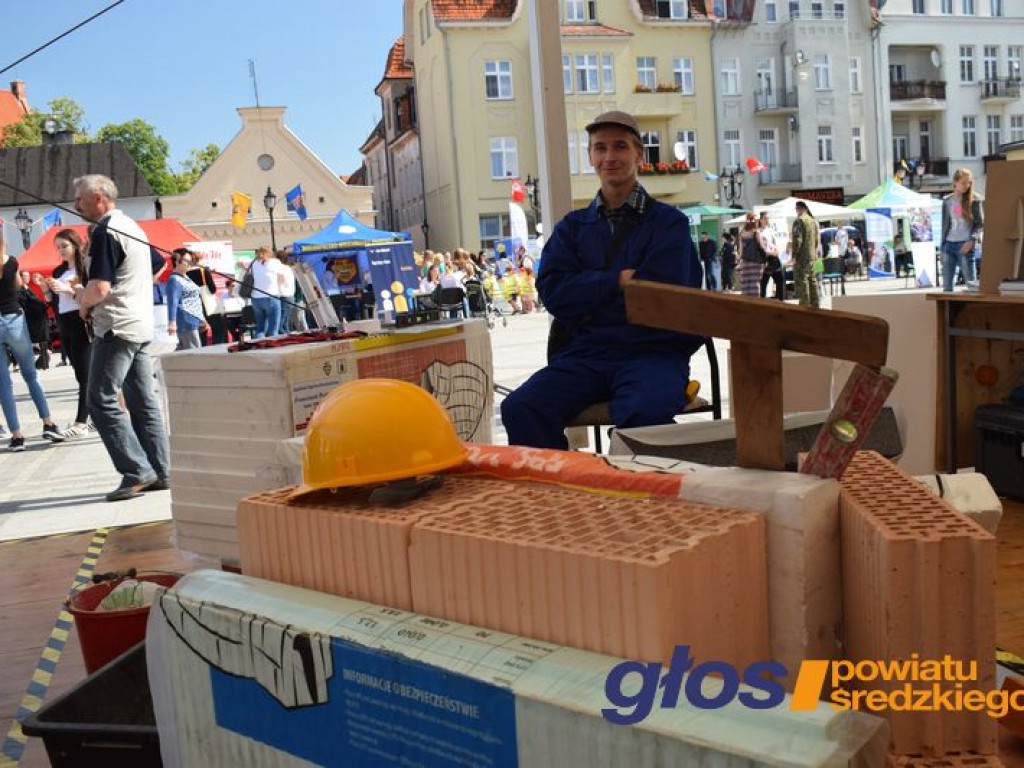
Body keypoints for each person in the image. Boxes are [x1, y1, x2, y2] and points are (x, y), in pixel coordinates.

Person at [501, 110, 703, 449]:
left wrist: (587, 298)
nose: (610, 156)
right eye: (600, 147)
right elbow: (553, 294)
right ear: (591, 157)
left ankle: (639, 498)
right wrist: (615, 282)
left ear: (638, 154)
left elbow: (662, 298)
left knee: (644, 416)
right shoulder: (572, 228)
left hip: (652, 353)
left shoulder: (669, 225)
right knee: (522, 407)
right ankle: (562, 495)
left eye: (620, 147)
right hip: (587, 356)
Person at [75, 173, 170, 500]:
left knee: (99, 399)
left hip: (117, 325)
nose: (76, 204)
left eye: (80, 198)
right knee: (144, 402)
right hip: (140, 323)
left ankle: (136, 470)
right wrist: (134, 290)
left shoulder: (104, 231)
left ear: (98, 197)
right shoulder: (132, 226)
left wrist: (83, 304)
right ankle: (161, 471)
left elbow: (100, 287)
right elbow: (158, 263)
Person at [0, 235, 65, 451]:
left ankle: (17, 436)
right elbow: (19, 285)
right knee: (30, 375)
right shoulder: (11, 262)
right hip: (14, 320)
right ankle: (48, 423)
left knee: (4, 384)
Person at [47, 229, 93, 436]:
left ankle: (81, 422)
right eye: (58, 247)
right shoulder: (59, 271)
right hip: (64, 321)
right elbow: (53, 302)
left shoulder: (85, 268)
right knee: (80, 373)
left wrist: (68, 289)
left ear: (75, 245)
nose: (61, 251)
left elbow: (89, 297)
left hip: (81, 320)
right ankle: (96, 417)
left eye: (64, 246)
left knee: (85, 374)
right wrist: (48, 289)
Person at [941, 167, 984, 292]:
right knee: (947, 287)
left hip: (965, 245)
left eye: (969, 182)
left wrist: (972, 240)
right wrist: (943, 246)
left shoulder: (975, 199)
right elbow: (945, 225)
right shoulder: (947, 201)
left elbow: (980, 223)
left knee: (972, 286)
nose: (967, 185)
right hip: (948, 245)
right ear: (955, 182)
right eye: (964, 183)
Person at [166, 251, 207, 350]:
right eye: (187, 260)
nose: (190, 263)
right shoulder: (175, 279)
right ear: (177, 261)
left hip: (193, 320)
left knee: (189, 352)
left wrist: (202, 319)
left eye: (191, 260)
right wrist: (172, 322)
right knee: (194, 354)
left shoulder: (186, 277)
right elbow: (173, 301)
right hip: (186, 320)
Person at [790, 200, 820, 308]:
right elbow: (817, 240)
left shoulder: (799, 221)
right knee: (812, 280)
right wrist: (815, 253)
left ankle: (805, 305)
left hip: (802, 256)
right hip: (812, 256)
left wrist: (793, 256)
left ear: (800, 208)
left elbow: (797, 240)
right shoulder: (813, 221)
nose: (796, 211)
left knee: (802, 281)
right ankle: (815, 304)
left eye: (796, 209)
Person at [250, 246, 285, 337]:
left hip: (256, 298)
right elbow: (282, 279)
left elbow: (239, 263)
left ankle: (260, 347)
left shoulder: (254, 263)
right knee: (273, 329)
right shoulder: (275, 262)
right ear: (270, 253)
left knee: (260, 328)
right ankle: (273, 349)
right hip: (271, 296)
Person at [758, 212, 785, 301]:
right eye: (766, 218)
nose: (767, 220)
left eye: (768, 218)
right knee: (764, 283)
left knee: (780, 280)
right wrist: (769, 253)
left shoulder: (771, 230)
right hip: (765, 259)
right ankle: (763, 302)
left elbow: (775, 243)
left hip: (774, 258)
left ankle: (781, 300)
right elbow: (760, 247)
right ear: (761, 220)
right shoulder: (758, 232)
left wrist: (776, 250)